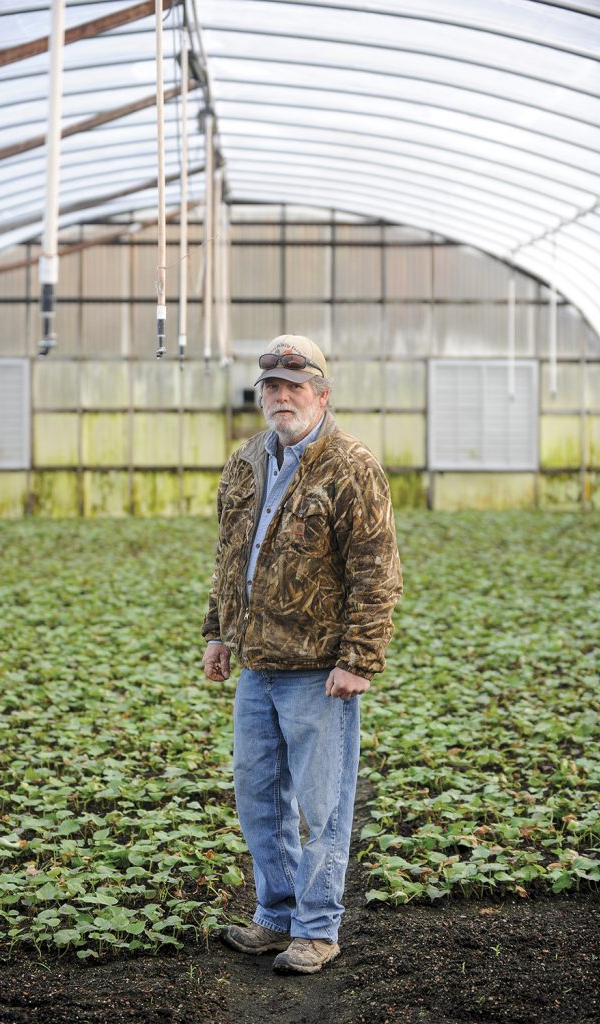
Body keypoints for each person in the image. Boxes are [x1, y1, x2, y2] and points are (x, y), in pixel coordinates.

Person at [202, 334, 402, 975]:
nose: (281, 396)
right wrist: (217, 632)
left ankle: (317, 929)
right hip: (257, 665)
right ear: (260, 394)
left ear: (321, 393)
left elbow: (377, 571)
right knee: (258, 797)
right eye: (271, 386)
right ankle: (276, 915)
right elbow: (230, 555)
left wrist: (359, 658)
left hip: (319, 670)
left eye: (295, 385)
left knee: (323, 807)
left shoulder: (351, 465)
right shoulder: (247, 460)